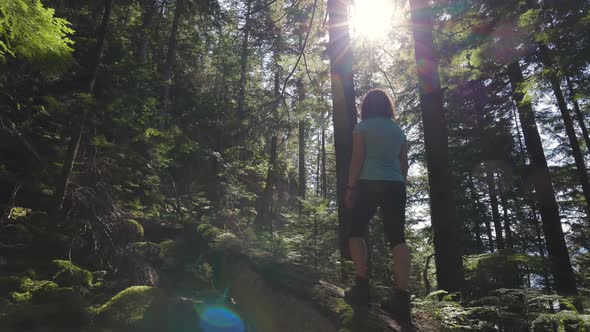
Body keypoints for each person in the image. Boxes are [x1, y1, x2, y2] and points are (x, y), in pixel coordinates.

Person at [344, 88, 411, 323]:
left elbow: (358, 158)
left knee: (355, 231)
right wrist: (398, 182)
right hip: (395, 185)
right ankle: (401, 298)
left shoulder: (362, 127)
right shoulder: (398, 131)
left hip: (369, 183)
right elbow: (404, 164)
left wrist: (351, 187)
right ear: (387, 106)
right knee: (397, 239)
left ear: (366, 107)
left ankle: (362, 287)